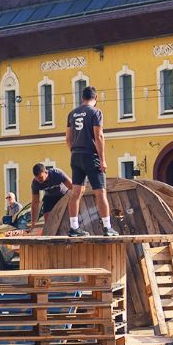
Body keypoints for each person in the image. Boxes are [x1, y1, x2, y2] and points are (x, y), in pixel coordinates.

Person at [66, 86, 118, 237]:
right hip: (91, 155)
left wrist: (74, 152)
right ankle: (107, 227)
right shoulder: (96, 112)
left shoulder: (72, 113)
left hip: (76, 155)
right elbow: (99, 136)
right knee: (100, 192)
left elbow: (68, 138)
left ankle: (74, 227)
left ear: (82, 98)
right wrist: (102, 159)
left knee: (76, 192)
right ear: (96, 98)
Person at [29, 164, 72, 230]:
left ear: (46, 172)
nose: (39, 180)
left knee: (64, 215)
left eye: (41, 177)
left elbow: (72, 187)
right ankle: (50, 231)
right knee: (47, 218)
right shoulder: (35, 183)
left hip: (63, 194)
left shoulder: (57, 174)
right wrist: (33, 223)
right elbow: (35, 202)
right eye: (37, 178)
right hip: (49, 196)